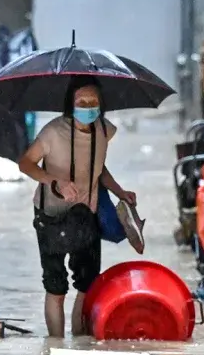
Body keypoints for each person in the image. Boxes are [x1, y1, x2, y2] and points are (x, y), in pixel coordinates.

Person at [18, 79, 136, 337]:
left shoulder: (105, 131)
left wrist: (119, 191)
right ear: (71, 105)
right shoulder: (52, 132)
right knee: (56, 286)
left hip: (87, 215)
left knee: (88, 283)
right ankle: (56, 346)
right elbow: (25, 163)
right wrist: (54, 181)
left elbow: (98, 168)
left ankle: (80, 342)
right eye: (81, 102)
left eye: (93, 102)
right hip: (51, 216)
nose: (88, 107)